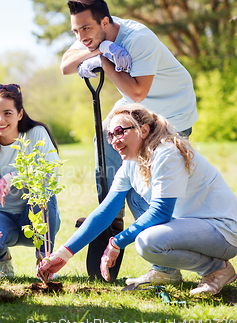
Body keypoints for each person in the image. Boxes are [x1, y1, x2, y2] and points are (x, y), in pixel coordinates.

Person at [39, 104, 237, 296]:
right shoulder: (130, 164)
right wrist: (63, 254)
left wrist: (116, 243)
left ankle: (216, 269)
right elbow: (105, 212)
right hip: (195, 227)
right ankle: (165, 271)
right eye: (110, 135)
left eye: (119, 131)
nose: (114, 140)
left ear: (143, 130)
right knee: (134, 199)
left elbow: (161, 212)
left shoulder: (166, 153)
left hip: (223, 230)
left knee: (147, 242)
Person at [61, 0, 198, 226]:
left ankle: (162, 237)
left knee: (141, 174)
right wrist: (99, 48)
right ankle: (111, 214)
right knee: (105, 136)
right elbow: (65, 65)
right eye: (75, 31)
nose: (81, 37)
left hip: (173, 108)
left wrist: (104, 62)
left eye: (85, 29)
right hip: (137, 108)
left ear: (105, 22)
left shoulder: (138, 39)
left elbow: (137, 92)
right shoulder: (92, 34)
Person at [0, 84, 61, 278]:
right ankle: (3, 259)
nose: (0, 120)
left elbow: (51, 174)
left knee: (43, 195)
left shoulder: (36, 133)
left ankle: (44, 261)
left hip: (36, 215)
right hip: (3, 218)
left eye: (7, 113)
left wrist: (15, 177)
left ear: (20, 114)